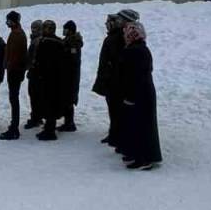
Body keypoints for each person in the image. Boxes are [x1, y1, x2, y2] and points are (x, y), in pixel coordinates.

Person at [119, 21, 161, 170]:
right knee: (140, 125)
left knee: (139, 126)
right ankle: (137, 154)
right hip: (143, 92)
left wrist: (130, 96)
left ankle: (143, 158)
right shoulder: (141, 49)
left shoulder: (133, 51)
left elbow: (133, 76)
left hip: (138, 94)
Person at [92, 12, 129, 147]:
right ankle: (114, 133)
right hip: (110, 79)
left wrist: (108, 76)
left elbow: (114, 61)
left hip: (113, 81)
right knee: (113, 109)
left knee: (116, 110)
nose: (107, 26)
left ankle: (116, 134)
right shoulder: (115, 37)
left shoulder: (116, 38)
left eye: (109, 23)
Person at [31, 21, 65, 141]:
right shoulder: (57, 42)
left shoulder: (48, 42)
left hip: (48, 79)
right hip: (53, 79)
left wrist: (39, 74)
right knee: (49, 103)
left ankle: (50, 131)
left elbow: (42, 61)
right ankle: (48, 128)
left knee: (49, 104)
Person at [0, 11, 28, 140]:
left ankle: (14, 128)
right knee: (13, 98)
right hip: (15, 70)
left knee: (14, 99)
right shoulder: (16, 33)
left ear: (14, 21)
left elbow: (16, 56)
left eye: (9, 20)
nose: (7, 23)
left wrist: (9, 66)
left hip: (14, 71)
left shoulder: (17, 35)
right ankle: (13, 126)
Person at [59, 20, 83, 132]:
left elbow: (72, 58)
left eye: (66, 29)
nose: (64, 31)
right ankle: (68, 122)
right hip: (68, 75)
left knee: (69, 98)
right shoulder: (69, 41)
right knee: (66, 98)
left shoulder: (73, 42)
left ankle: (69, 123)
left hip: (70, 75)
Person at [24, 20, 44, 129]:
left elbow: (31, 57)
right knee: (36, 96)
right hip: (36, 73)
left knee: (34, 96)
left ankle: (35, 118)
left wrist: (27, 66)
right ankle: (37, 116)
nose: (33, 30)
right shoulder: (36, 40)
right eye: (32, 27)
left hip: (35, 73)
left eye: (35, 28)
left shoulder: (36, 41)